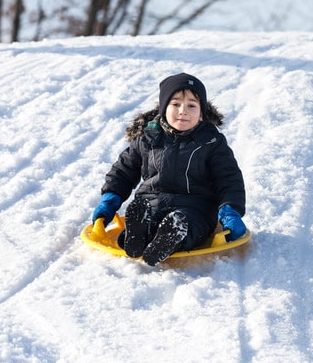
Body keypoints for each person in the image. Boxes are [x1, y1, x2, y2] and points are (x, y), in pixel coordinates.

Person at [92, 72, 246, 266]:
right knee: (148, 218)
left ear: (201, 114)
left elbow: (228, 178)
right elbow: (124, 171)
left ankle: (171, 238)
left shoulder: (211, 142)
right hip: (151, 201)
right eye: (176, 104)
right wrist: (110, 198)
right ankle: (135, 235)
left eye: (191, 105)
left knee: (188, 226)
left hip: (196, 207)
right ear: (164, 107)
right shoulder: (147, 137)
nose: (183, 111)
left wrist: (230, 210)